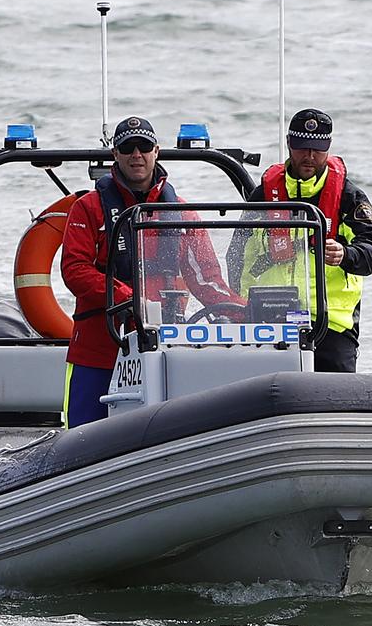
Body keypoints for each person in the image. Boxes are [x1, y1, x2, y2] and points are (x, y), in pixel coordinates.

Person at [61, 115, 243, 428]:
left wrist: (245, 312)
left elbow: (207, 280)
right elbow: (74, 269)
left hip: (164, 347)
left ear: (156, 151)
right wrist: (129, 299)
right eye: (127, 148)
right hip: (100, 348)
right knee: (80, 434)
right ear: (114, 155)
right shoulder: (88, 208)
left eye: (143, 147)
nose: (136, 155)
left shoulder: (181, 213)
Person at [228, 108, 372, 372]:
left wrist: (346, 255)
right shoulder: (264, 195)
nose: (309, 156)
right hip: (268, 321)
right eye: (302, 147)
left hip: (330, 324)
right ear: (289, 144)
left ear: (329, 148)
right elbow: (236, 253)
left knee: (336, 398)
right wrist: (242, 305)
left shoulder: (349, 197)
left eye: (317, 149)